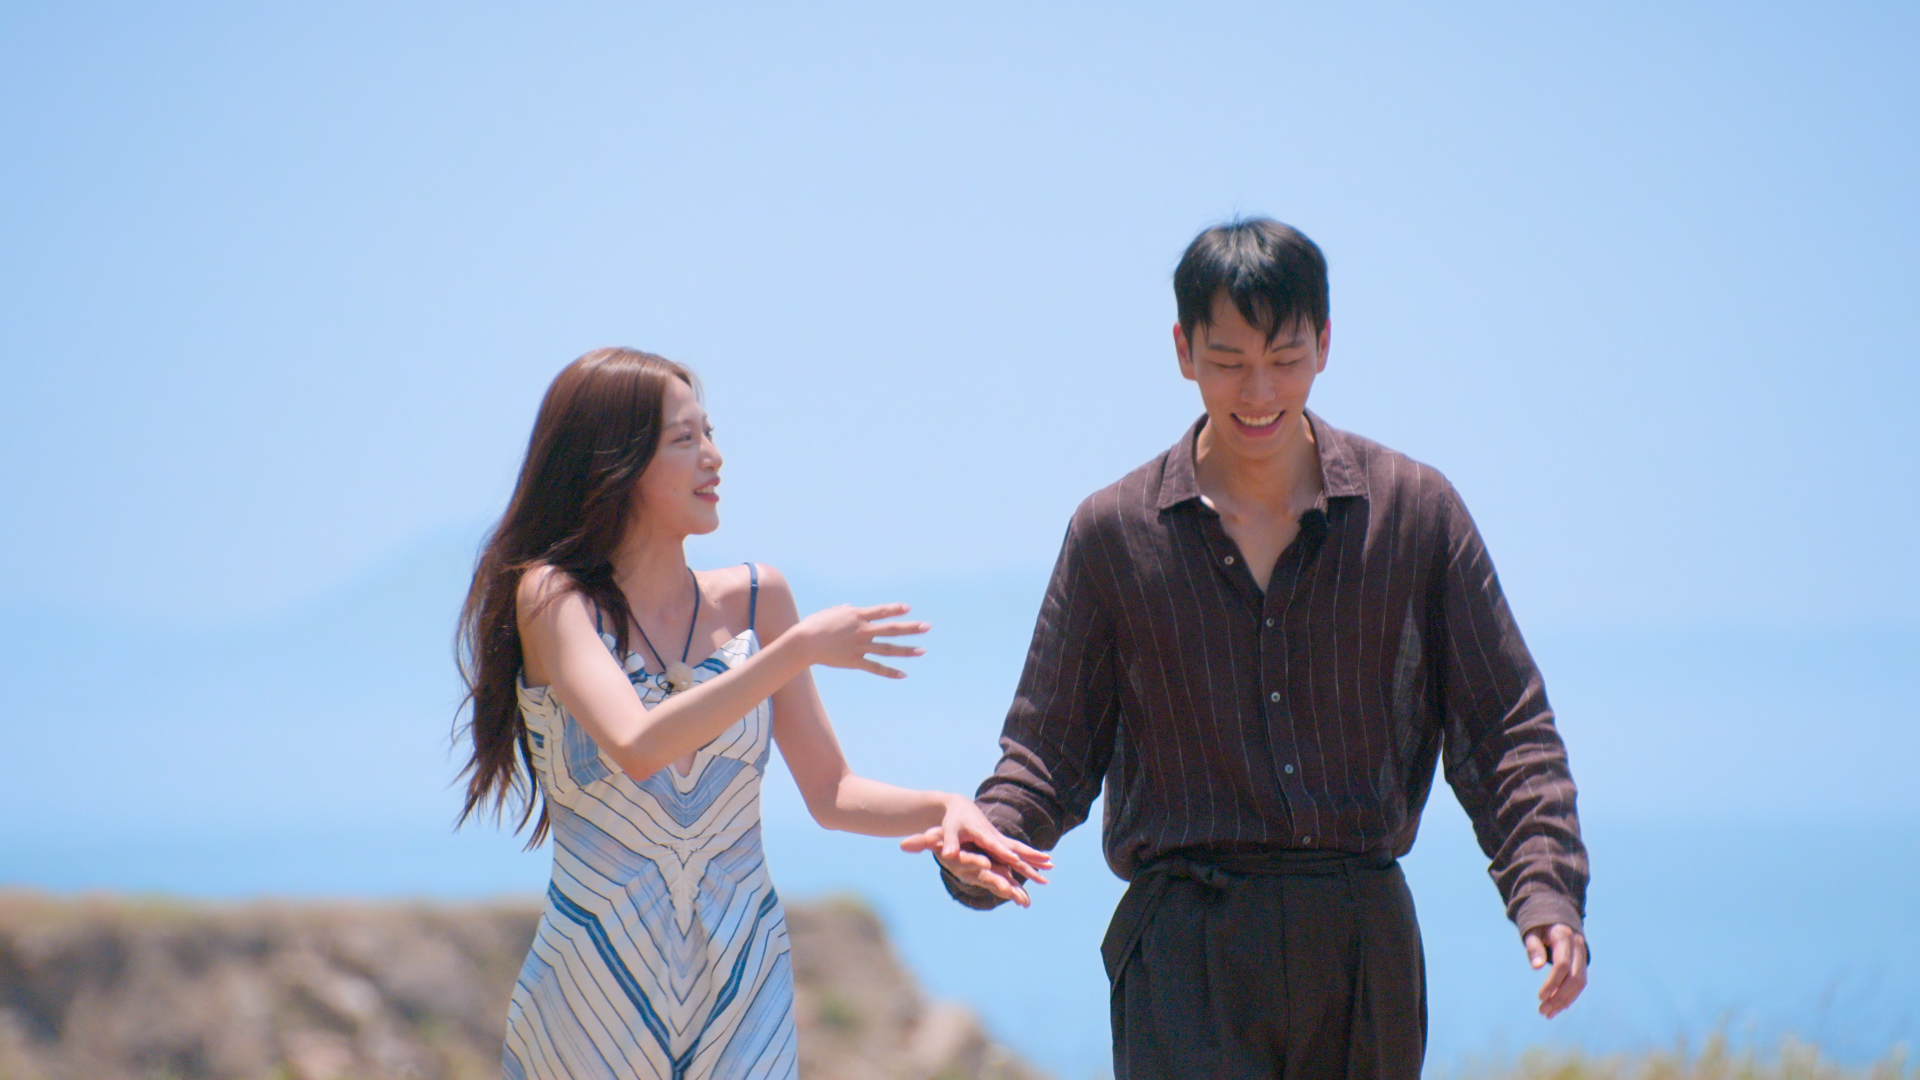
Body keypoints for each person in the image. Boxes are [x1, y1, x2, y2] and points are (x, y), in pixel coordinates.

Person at [905, 219, 1590, 1079]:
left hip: (1361, 948)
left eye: (1285, 357)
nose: (1259, 389)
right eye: (1228, 360)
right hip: (1184, 953)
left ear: (1326, 344)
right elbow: (1047, 750)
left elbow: (1505, 730)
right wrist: (985, 842)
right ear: (1182, 350)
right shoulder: (1113, 533)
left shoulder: (1414, 512)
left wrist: (1544, 887)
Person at [455, 347, 1049, 1080]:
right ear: (616, 462)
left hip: (745, 983)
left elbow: (834, 794)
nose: (715, 457)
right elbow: (637, 744)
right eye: (685, 439)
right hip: (592, 993)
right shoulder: (552, 598)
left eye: (711, 433)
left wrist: (949, 808)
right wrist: (797, 649)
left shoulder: (758, 598)